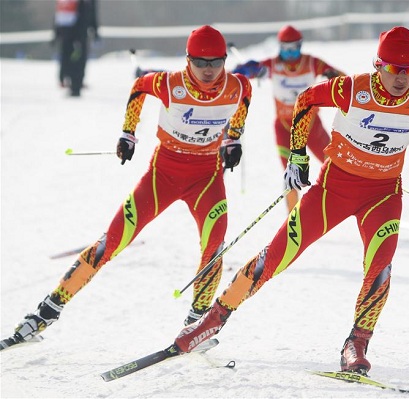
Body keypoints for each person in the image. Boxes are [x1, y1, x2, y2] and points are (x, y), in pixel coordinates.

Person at [173, 26, 409, 374]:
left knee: (380, 269)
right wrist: (298, 156)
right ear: (379, 65)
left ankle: (357, 344)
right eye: (394, 69)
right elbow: (305, 99)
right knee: (276, 256)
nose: (401, 78)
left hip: (382, 196)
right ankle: (211, 320)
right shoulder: (353, 88)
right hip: (332, 191)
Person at [2, 26, 253, 349]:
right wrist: (128, 134)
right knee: (111, 242)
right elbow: (139, 87)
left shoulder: (238, 85)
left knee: (214, 245)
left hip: (207, 179)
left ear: (224, 60)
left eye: (215, 62)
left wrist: (233, 138)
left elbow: (243, 104)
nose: (208, 70)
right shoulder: (170, 83)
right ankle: (47, 310)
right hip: (162, 177)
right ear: (187, 59)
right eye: (200, 62)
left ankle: (197, 323)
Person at [232, 25, 344, 213]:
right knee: (290, 175)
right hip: (284, 128)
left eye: (295, 48)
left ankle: (343, 203)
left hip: (311, 126)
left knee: (334, 165)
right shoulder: (273, 65)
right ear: (279, 47)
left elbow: (345, 80)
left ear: (301, 46)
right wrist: (245, 68)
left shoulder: (311, 63)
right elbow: (237, 75)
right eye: (286, 49)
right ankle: (293, 219)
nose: (291, 54)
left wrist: (334, 76)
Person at [53, 0, 99, 97]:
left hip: (71, 32)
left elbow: (59, 14)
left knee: (73, 57)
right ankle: (73, 83)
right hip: (75, 33)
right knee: (76, 58)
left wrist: (56, 33)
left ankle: (72, 82)